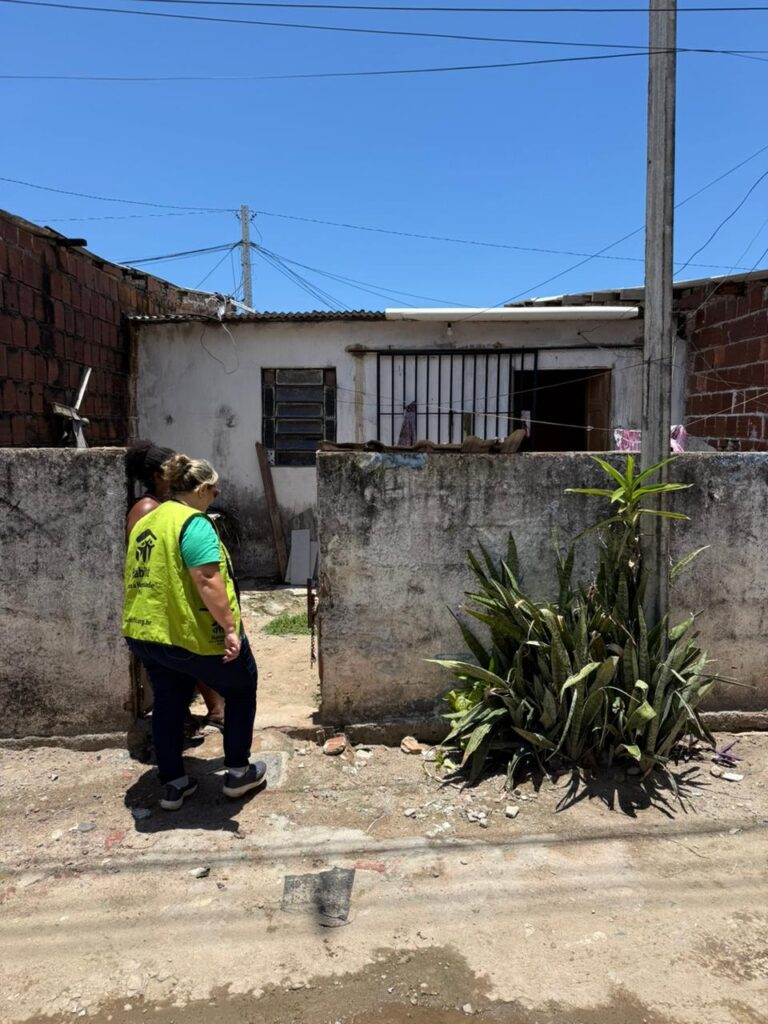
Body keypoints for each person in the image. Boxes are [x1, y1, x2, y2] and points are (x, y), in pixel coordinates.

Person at [122, 453, 266, 810]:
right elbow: (206, 578)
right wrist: (230, 629)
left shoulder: (148, 521)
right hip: (191, 634)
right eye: (214, 491)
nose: (216, 497)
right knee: (242, 688)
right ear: (201, 489)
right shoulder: (194, 523)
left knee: (169, 700)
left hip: (149, 633)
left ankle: (174, 784)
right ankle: (237, 774)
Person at [126, 441, 226, 732]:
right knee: (177, 673)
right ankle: (188, 724)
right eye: (175, 469)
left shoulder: (168, 508)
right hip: (158, 607)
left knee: (188, 663)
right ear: (159, 475)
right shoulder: (148, 508)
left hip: (173, 601)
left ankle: (207, 712)